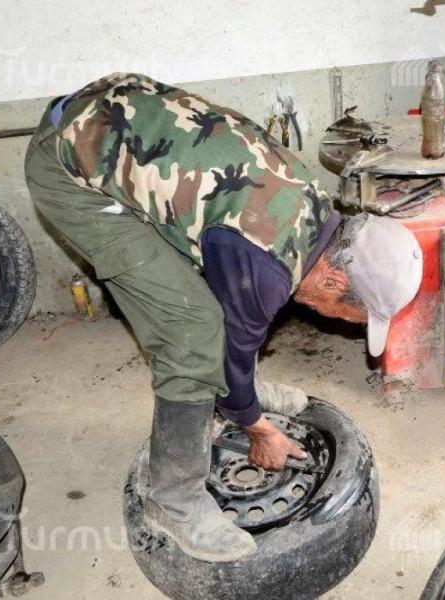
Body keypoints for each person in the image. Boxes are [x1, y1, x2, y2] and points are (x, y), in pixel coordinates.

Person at [24, 73, 422, 562]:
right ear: (336, 282)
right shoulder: (265, 262)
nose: (344, 323)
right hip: (69, 169)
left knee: (223, 301)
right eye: (351, 316)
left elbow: (241, 301)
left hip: (104, 114)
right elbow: (245, 297)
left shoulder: (313, 209)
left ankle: (233, 396)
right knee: (191, 331)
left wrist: (241, 395)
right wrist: (258, 428)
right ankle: (173, 501)